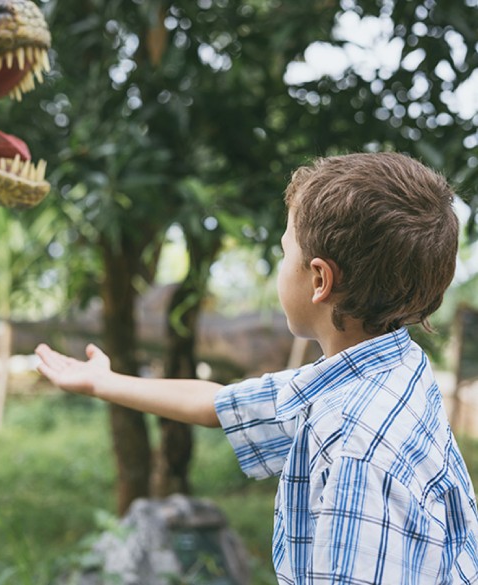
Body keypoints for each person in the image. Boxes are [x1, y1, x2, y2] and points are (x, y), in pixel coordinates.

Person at [35, 152, 478, 583]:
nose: (281, 265)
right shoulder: (388, 367)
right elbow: (218, 405)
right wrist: (104, 381)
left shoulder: (355, 451)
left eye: (285, 252)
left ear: (320, 280)